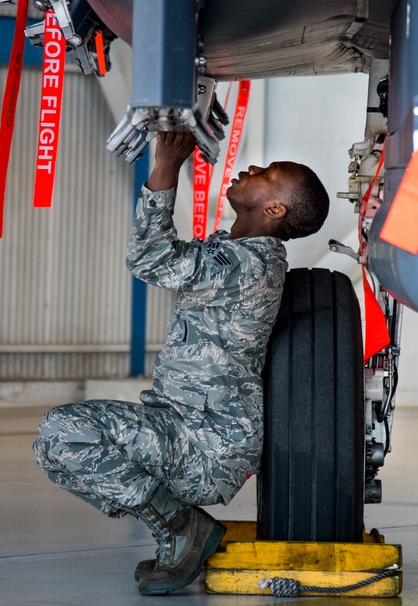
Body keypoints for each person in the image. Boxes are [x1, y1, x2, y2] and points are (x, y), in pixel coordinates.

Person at [33, 132, 330, 596]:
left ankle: (181, 528)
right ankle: (177, 531)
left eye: (267, 176)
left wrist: (166, 167)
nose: (252, 171)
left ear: (275, 210)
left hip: (205, 445)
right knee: (52, 453)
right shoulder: (239, 256)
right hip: (182, 427)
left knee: (62, 430)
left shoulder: (248, 263)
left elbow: (150, 259)